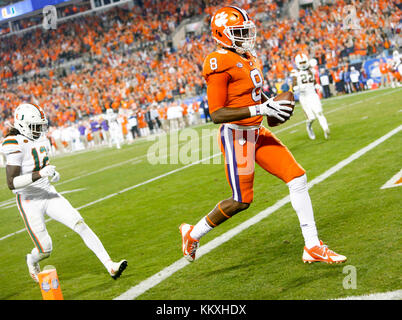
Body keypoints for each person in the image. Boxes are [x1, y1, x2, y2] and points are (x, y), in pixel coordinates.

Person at [179, 6, 346, 265]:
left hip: (257, 131)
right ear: (222, 34)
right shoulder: (218, 62)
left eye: (246, 30)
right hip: (236, 138)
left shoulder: (248, 56)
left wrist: (271, 105)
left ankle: (312, 246)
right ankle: (193, 233)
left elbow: (253, 93)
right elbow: (217, 114)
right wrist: (261, 108)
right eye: (239, 32)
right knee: (241, 201)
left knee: (297, 177)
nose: (246, 36)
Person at [2, 103, 127, 282]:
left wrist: (50, 173)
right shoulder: (13, 142)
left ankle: (110, 265)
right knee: (45, 249)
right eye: (35, 126)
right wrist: (40, 174)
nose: (39, 129)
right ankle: (31, 259)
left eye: (40, 125)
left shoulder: (41, 139)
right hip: (29, 199)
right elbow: (11, 183)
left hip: (47, 192)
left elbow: (40, 165)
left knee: (79, 223)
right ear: (23, 124)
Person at [291, 53, 330, 140]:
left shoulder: (311, 70)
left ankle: (326, 129)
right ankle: (309, 128)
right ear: (297, 63)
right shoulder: (295, 72)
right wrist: (297, 88)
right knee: (311, 118)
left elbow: (315, 82)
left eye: (304, 62)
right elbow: (293, 87)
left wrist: (317, 86)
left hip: (312, 94)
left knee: (319, 112)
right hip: (304, 97)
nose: (303, 64)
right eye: (301, 63)